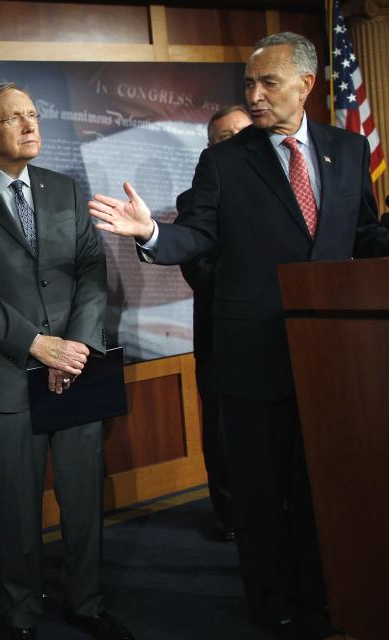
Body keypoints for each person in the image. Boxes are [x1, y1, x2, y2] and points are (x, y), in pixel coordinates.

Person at [88, 33, 389, 640]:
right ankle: (272, 597)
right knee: (258, 491)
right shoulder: (225, 159)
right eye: (247, 84)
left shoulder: (349, 150)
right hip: (252, 357)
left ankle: (321, 592)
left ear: (306, 85)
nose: (253, 95)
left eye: (267, 83)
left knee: (319, 486)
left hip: (330, 358)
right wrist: (150, 233)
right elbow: (195, 236)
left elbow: (362, 240)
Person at [0, 83, 133, 640]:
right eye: (15, 118)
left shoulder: (65, 190)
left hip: (79, 366)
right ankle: (22, 614)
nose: (30, 125)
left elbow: (93, 271)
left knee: (83, 497)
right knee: (18, 507)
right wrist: (36, 345)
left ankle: (86, 603)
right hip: (10, 374)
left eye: (33, 115)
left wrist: (74, 348)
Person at [180, 104, 252, 543]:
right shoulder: (195, 202)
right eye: (225, 138)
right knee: (224, 432)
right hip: (222, 336)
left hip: (280, 335)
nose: (238, 142)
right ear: (210, 150)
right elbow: (198, 270)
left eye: (244, 132)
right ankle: (228, 514)